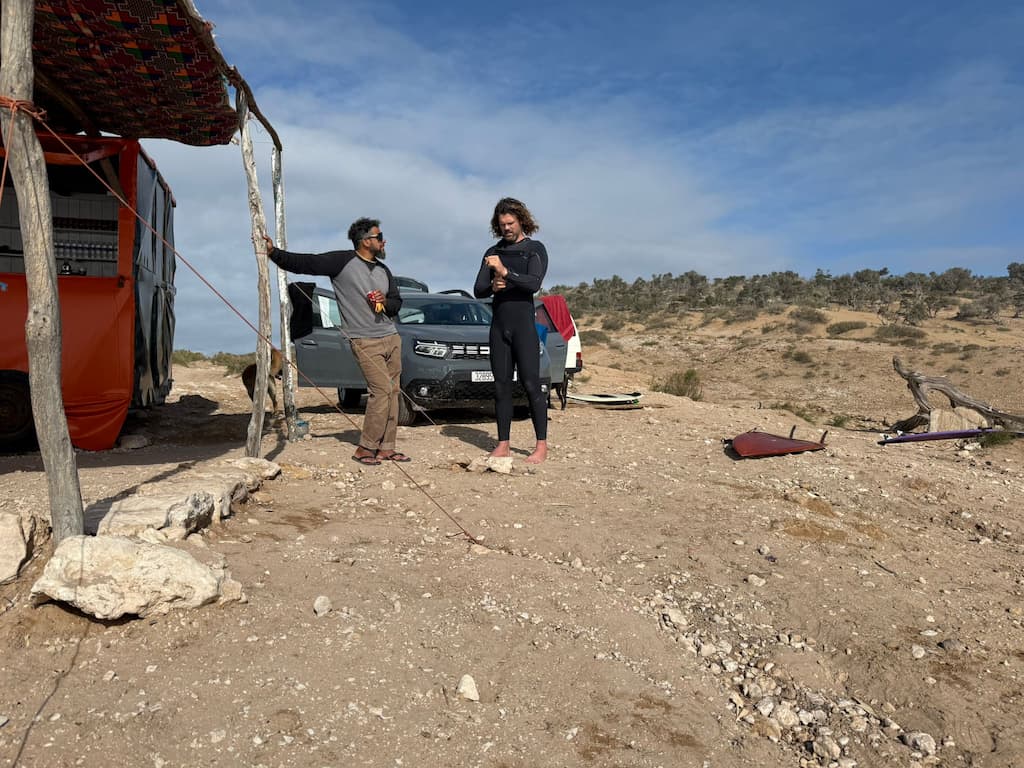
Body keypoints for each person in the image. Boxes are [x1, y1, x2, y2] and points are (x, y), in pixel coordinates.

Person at [262, 218, 410, 466]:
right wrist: (273, 252)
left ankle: (387, 447)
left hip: (390, 337)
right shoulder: (342, 261)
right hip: (364, 340)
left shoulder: (384, 270)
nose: (384, 241)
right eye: (379, 236)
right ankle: (365, 448)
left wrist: (383, 301)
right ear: (365, 241)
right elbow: (306, 263)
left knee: (393, 392)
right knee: (381, 390)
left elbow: (396, 304)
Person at [473, 197, 549, 464]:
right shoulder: (492, 252)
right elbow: (478, 290)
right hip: (499, 327)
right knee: (501, 386)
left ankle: (541, 445)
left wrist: (505, 272)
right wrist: (493, 286)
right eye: (501, 224)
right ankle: (503, 443)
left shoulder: (534, 249)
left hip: (524, 328)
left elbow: (534, 283)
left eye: (510, 223)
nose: (506, 228)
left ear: (521, 221)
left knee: (531, 384)